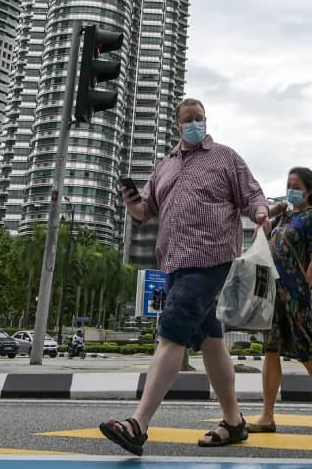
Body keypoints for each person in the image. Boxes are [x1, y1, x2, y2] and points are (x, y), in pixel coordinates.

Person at [99, 98, 270, 456]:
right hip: (174, 262)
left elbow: (251, 194)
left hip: (211, 258)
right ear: (177, 125)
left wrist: (262, 212)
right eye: (189, 120)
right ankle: (234, 422)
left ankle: (138, 424)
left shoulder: (225, 157)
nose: (196, 124)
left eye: (201, 118)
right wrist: (133, 204)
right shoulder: (163, 168)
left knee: (172, 330)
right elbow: (146, 210)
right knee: (210, 340)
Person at [252, 166, 312, 434]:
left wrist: (305, 285)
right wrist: (274, 209)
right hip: (274, 293)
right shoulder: (284, 218)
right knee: (270, 350)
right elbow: (260, 228)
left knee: (305, 351)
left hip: (298, 296)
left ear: (309, 190)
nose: (291, 190)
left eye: (296, 186)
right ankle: (267, 416)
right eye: (288, 185)